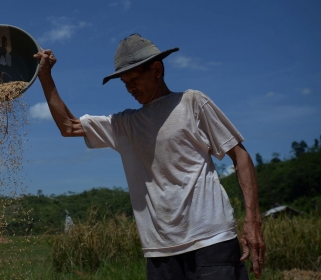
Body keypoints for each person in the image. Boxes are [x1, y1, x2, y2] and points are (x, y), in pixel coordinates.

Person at [33, 34, 265, 280]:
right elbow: (69, 127)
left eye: (134, 79)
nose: (130, 88)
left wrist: (253, 221)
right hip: (160, 251)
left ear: (157, 69)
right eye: (124, 82)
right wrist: (45, 77)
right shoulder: (126, 124)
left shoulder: (192, 103)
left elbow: (240, 156)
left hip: (211, 242)